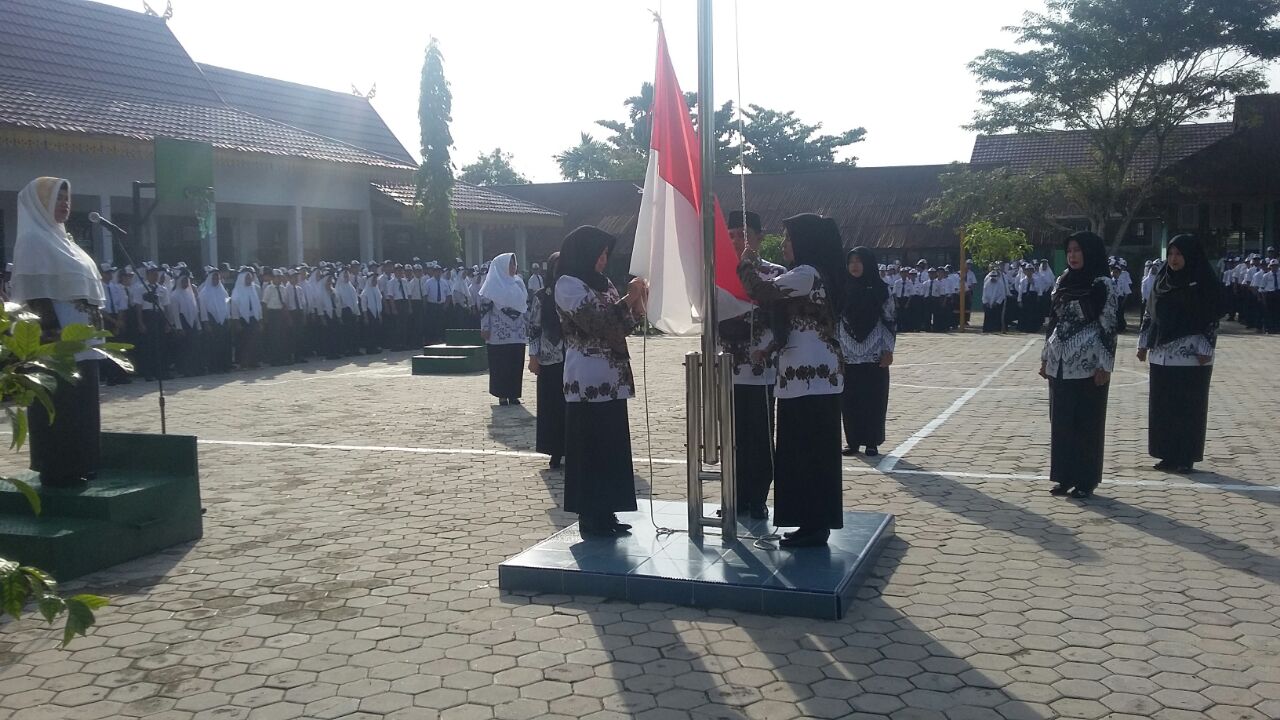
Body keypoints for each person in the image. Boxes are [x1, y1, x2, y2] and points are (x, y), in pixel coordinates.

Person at [738, 213, 845, 548]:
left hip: (811, 381)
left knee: (809, 454)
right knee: (801, 454)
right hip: (806, 378)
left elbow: (763, 291)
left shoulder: (807, 274)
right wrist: (770, 347)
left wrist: (744, 264)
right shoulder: (811, 275)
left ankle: (814, 525)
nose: (783, 245)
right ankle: (809, 522)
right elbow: (798, 324)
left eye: (788, 238)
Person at [10, 177, 107, 487]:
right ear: (41, 204)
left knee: (82, 403)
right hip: (57, 341)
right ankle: (57, 466)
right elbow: (35, 293)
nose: (65, 203)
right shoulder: (33, 240)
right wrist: (51, 333)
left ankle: (83, 461)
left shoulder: (66, 240)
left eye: (67, 197)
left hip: (83, 338)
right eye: (57, 198)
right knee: (60, 403)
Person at [556, 226, 647, 538]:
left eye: (607, 255)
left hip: (613, 377)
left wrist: (636, 305)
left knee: (611, 448)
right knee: (589, 449)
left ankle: (607, 510)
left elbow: (619, 324)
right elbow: (597, 321)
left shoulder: (604, 284)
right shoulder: (567, 284)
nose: (603, 261)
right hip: (586, 380)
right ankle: (590, 517)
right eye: (599, 254)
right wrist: (627, 300)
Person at [1040, 231, 1118, 500]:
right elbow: (1052, 320)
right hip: (1060, 360)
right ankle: (1064, 476)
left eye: (1078, 250)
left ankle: (1086, 480)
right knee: (1061, 422)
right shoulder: (1062, 280)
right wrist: (1045, 357)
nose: (1072, 256)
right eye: (1070, 250)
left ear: (1090, 252)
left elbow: (1109, 326)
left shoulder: (1102, 284)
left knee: (1087, 424)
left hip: (1088, 364)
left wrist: (1105, 365)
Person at [1137, 235, 1220, 473]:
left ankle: (1185, 456)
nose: (1174, 259)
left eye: (1179, 254)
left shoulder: (1201, 281)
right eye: (1171, 254)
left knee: (1187, 406)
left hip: (1191, 354)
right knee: (1163, 406)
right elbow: (1149, 313)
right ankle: (1166, 453)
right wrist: (1143, 343)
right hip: (1162, 353)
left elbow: (1212, 315)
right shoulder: (1162, 280)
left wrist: (1207, 346)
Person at [721, 210, 784, 520]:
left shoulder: (775, 273)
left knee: (759, 437)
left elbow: (773, 310)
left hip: (760, 369)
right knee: (730, 438)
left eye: (743, 235)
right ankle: (732, 497)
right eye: (731, 234)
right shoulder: (716, 274)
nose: (737, 240)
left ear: (759, 237)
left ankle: (757, 497)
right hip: (726, 370)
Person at [838, 246, 895, 458]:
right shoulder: (842, 289)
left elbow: (890, 320)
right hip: (847, 354)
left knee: (873, 399)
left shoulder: (881, 290)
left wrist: (888, 350)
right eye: (851, 261)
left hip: (874, 354)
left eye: (859, 261)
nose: (854, 265)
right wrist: (836, 352)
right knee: (849, 400)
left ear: (868, 264)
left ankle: (872, 441)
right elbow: (835, 321)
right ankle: (852, 441)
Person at [527, 252, 566, 470]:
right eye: (556, 267)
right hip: (549, 358)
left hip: (572, 358)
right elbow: (533, 328)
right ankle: (555, 450)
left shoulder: (574, 293)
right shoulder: (541, 296)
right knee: (552, 405)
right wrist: (533, 357)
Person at [479, 252, 529, 406]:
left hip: (518, 333)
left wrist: (528, 325)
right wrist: (485, 328)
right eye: (510, 264)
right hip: (498, 333)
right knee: (500, 364)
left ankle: (514, 394)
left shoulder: (519, 282)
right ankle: (501, 394)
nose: (513, 267)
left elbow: (524, 306)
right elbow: (485, 310)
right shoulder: (492, 284)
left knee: (515, 363)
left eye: (514, 264)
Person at [167, 270, 203, 376]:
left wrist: (199, 326)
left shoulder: (190, 294)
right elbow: (176, 314)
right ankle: (185, 370)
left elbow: (195, 311)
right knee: (184, 349)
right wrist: (179, 328)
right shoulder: (175, 295)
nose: (185, 284)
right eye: (183, 281)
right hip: (183, 324)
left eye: (187, 281)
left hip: (192, 324)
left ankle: (195, 368)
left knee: (194, 347)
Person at [198, 268, 233, 373]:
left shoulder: (223, 291)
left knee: (224, 345)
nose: (216, 280)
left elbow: (227, 306)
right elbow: (203, 309)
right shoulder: (204, 292)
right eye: (214, 278)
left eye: (217, 278)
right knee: (213, 346)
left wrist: (228, 318)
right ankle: (213, 367)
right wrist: (206, 323)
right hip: (211, 321)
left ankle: (224, 365)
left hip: (223, 322)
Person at [230, 267, 262, 369]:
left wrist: (260, 319)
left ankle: (254, 361)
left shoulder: (254, 289)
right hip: (242, 320)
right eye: (247, 278)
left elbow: (258, 306)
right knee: (243, 342)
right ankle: (243, 363)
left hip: (253, 319)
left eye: (250, 278)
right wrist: (236, 322)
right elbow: (234, 307)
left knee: (254, 341)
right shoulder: (237, 290)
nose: (249, 280)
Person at [981, 263, 1009, 333]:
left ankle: (996, 329)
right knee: (988, 316)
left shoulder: (1000, 284)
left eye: (994, 276)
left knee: (997, 316)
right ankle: (987, 329)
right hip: (988, 303)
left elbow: (1002, 295)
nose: (993, 278)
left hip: (997, 304)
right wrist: (986, 302)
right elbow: (984, 294)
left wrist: (996, 302)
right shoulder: (987, 283)